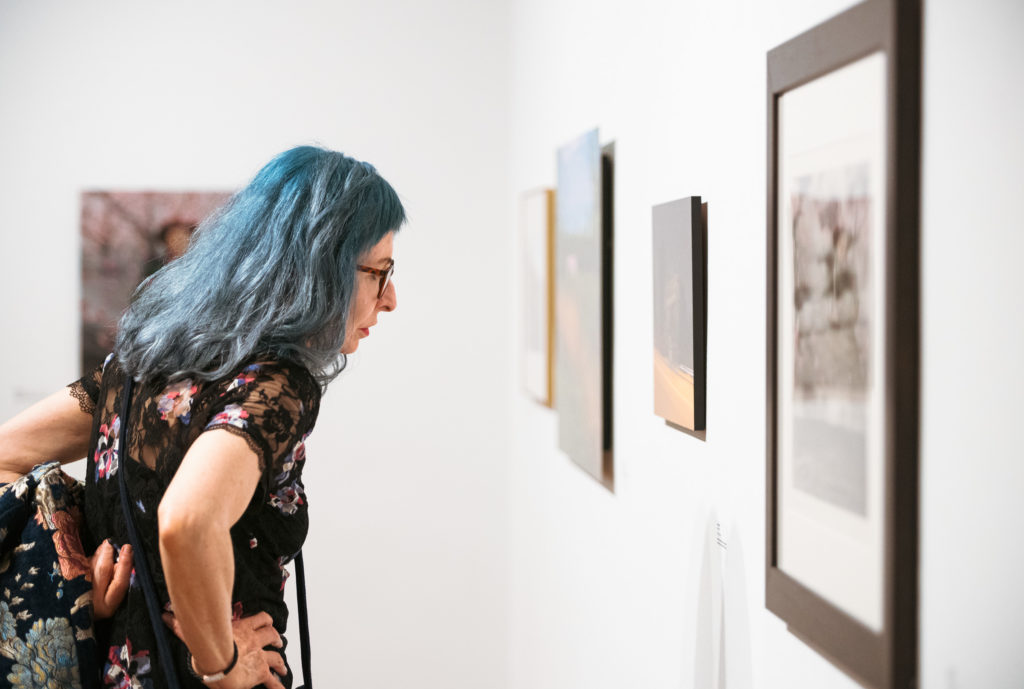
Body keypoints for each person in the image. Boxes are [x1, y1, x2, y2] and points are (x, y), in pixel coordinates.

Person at [0, 145, 405, 688]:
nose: (391, 298)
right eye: (378, 272)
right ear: (321, 269)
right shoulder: (277, 383)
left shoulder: (139, 364)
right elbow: (187, 521)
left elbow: (7, 454)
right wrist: (225, 667)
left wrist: (73, 565)